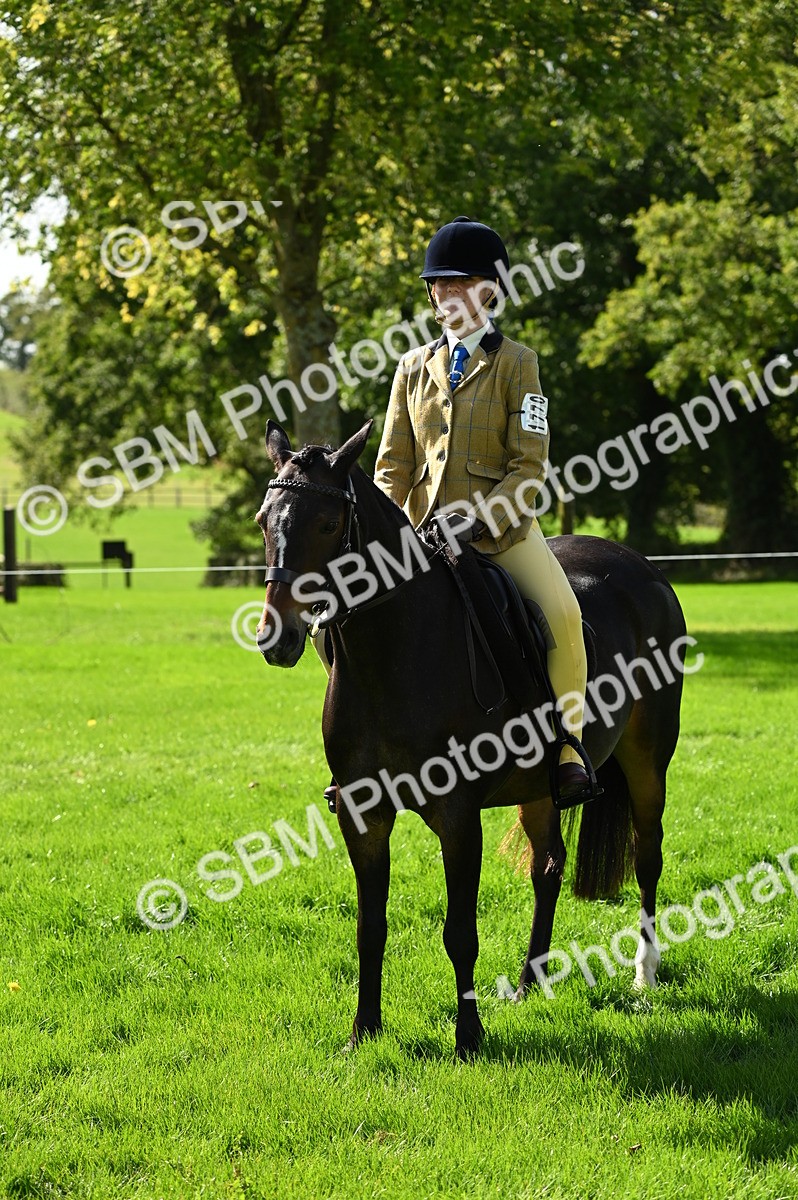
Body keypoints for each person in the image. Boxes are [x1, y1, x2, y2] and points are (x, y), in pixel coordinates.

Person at [372, 215, 593, 803]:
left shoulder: (518, 364)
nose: (443, 294)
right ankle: (370, 750)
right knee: (343, 613)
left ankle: (569, 745)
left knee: (564, 616)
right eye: (437, 284)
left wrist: (478, 520)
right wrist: (388, 537)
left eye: (457, 283)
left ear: (489, 290)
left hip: (502, 534)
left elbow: (529, 466)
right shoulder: (411, 368)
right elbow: (392, 466)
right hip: (420, 536)